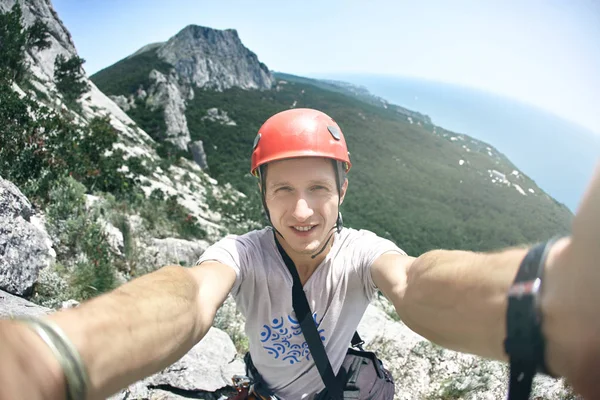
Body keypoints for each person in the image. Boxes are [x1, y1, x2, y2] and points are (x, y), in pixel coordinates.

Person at [0, 108, 599, 400]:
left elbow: (416, 284)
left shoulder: (364, 252)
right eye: (283, 190)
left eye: (318, 188)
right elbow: (190, 297)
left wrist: (540, 301)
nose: (302, 210)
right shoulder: (243, 252)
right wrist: (60, 352)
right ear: (261, 195)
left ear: (343, 191)